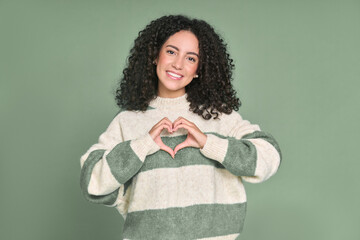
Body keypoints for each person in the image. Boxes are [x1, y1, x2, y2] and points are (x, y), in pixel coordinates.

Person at [79, 15, 282, 240]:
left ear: (199, 69)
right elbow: (92, 183)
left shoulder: (218, 115)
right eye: (171, 52)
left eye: (191, 58)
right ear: (155, 55)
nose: (178, 64)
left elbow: (269, 157)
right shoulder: (128, 120)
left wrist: (208, 143)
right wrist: (142, 145)